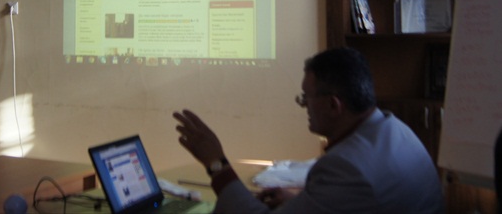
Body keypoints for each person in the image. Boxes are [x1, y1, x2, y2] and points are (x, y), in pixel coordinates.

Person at [173, 47, 444, 214]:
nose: (303, 106)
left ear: (333, 105)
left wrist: (216, 164)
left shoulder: (346, 168)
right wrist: (301, 202)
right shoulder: (396, 130)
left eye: (306, 98)